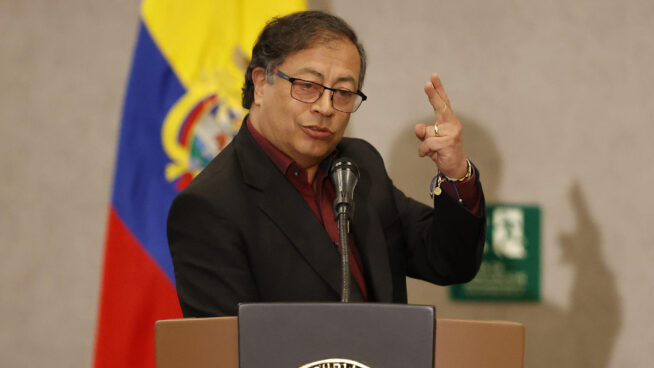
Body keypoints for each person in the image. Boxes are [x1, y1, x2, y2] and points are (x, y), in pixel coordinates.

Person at [167, 10, 486, 317]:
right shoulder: (210, 206)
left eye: (343, 92)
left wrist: (456, 174)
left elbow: (449, 262)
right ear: (262, 84)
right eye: (307, 86)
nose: (325, 107)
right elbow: (232, 354)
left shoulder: (359, 164)